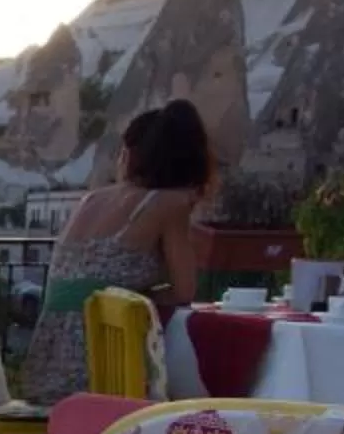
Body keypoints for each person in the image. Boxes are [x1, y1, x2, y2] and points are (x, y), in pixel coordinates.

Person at [20, 100, 209, 402]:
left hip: (45, 367)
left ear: (134, 155)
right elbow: (184, 291)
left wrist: (123, 293)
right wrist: (137, 296)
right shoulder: (168, 205)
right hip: (102, 374)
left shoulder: (91, 200)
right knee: (191, 394)